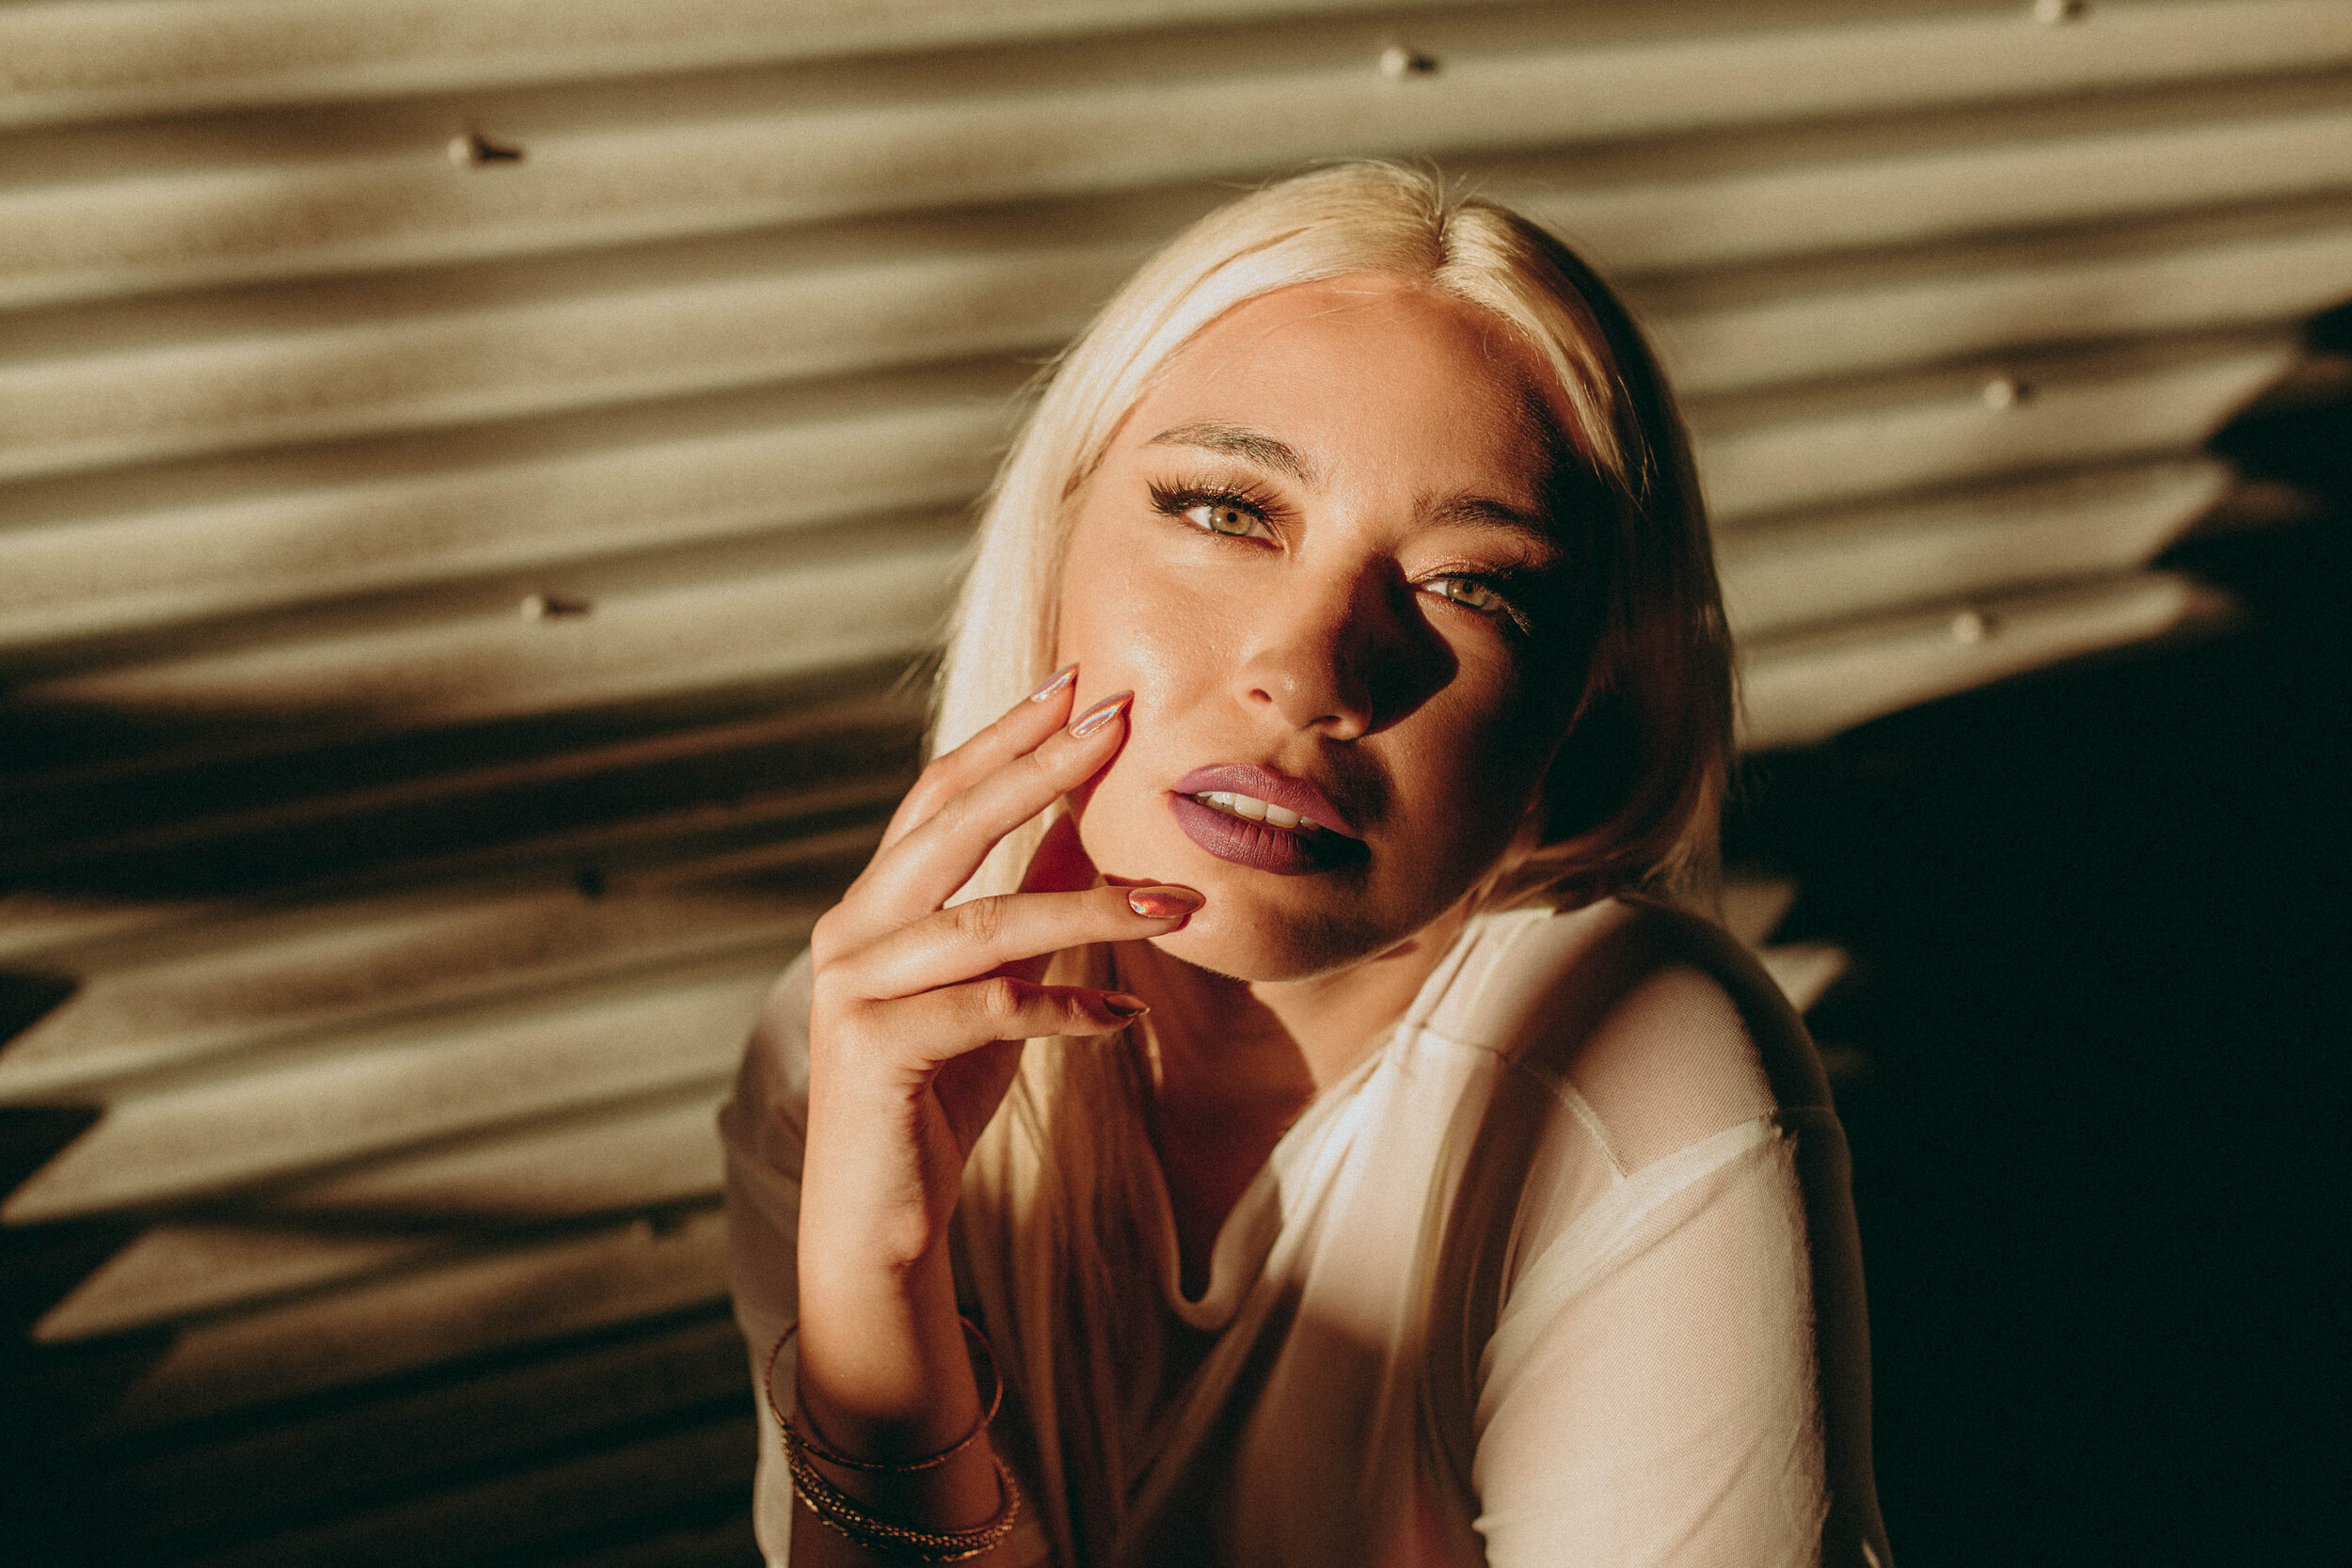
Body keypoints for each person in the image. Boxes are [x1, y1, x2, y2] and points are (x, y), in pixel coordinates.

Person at [720, 161, 1890, 1567]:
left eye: (1474, 585)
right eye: (1228, 512)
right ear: (1057, 538)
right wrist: (874, 1282)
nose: (1313, 672)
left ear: (1582, 705)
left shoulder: (1627, 1062)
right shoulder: (855, 1050)